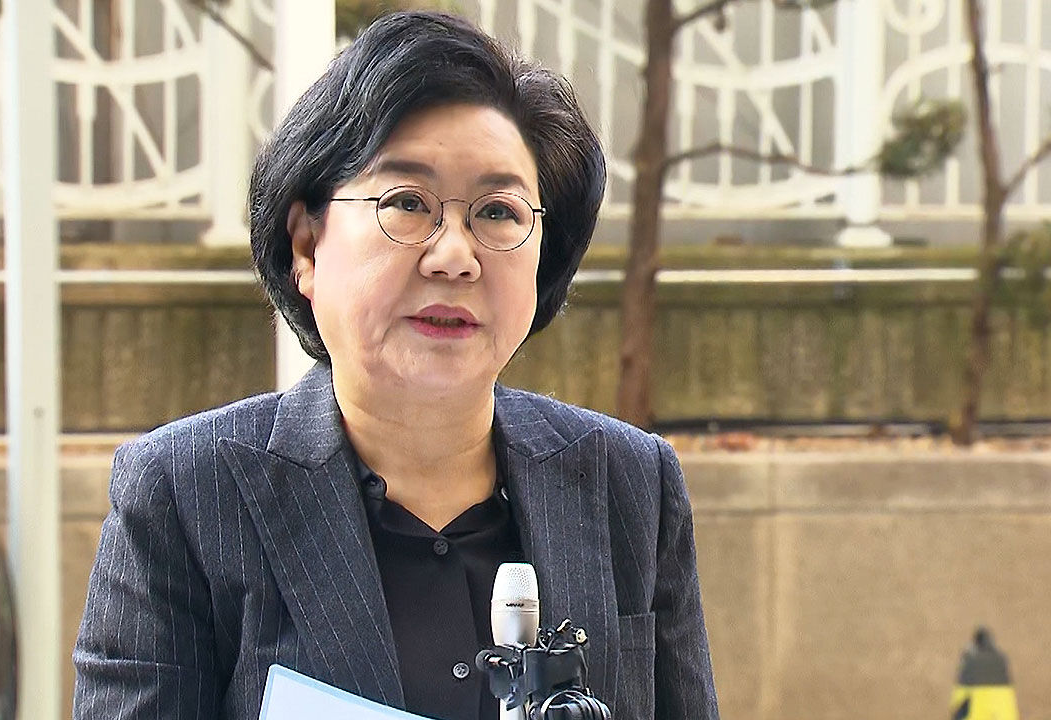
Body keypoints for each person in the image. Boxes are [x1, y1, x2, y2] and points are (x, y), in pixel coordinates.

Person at [72, 11, 718, 720]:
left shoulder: (629, 484)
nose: (455, 256)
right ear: (307, 245)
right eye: (407, 203)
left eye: (498, 213)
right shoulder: (185, 494)